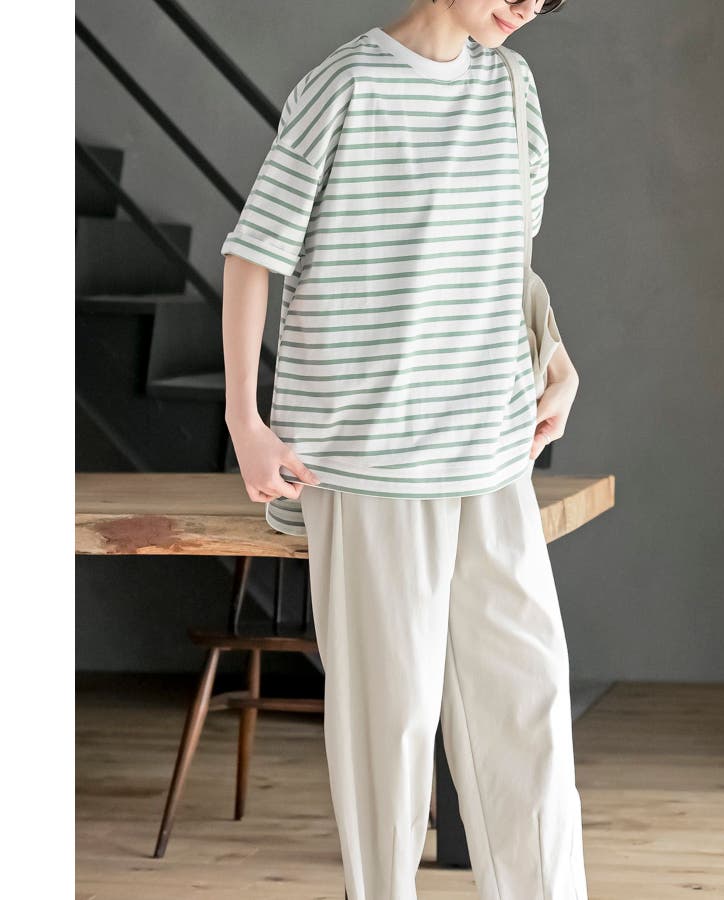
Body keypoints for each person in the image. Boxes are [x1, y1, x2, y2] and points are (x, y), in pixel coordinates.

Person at [221, 1, 587, 897]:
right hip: (369, 460)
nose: (530, 4)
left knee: (531, 710)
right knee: (389, 727)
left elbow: (506, 264)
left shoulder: (513, 89)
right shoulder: (344, 86)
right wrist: (244, 421)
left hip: (493, 451)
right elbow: (252, 253)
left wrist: (557, 356)